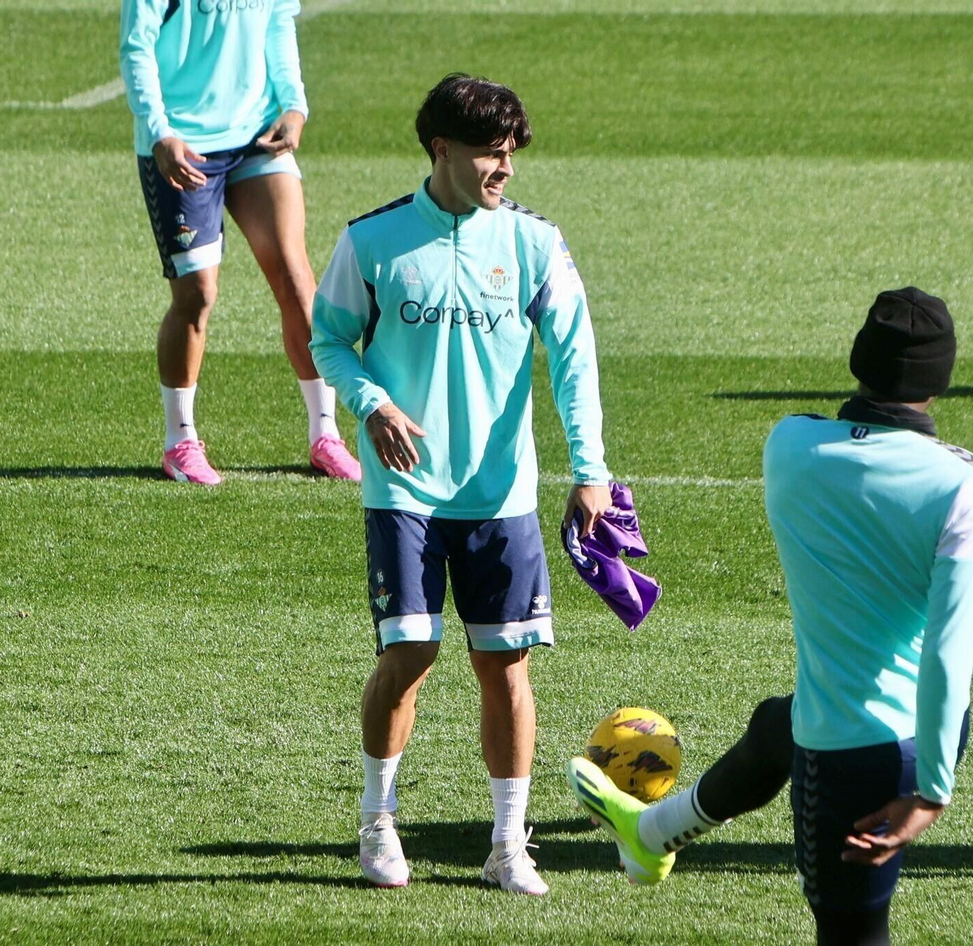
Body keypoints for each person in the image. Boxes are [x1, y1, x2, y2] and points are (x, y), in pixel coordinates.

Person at [568, 288, 973, 944]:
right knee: (774, 725)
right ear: (939, 382)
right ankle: (651, 834)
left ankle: (651, 835)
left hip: (848, 754)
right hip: (932, 734)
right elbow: (940, 630)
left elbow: (873, 533)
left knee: (851, 936)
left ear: (860, 359)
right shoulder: (965, 483)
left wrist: (927, 799)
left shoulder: (791, 446)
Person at [310, 74, 613, 895]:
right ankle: (378, 821)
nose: (504, 167)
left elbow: (576, 363)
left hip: (501, 493)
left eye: (511, 152)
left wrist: (591, 472)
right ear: (440, 149)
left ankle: (509, 844)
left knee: (506, 665)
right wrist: (370, 404)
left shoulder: (534, 246)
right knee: (410, 651)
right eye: (489, 152)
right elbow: (328, 340)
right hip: (403, 490)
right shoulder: (371, 242)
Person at [120, 0, 358, 485]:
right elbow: (136, 46)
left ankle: (325, 434)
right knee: (197, 294)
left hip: (257, 135)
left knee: (296, 279)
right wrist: (159, 131)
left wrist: (294, 105)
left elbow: (277, 24)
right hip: (183, 145)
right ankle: (179, 440)